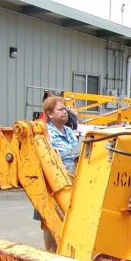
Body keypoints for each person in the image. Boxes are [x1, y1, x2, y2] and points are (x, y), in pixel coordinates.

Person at [37, 96, 81, 251]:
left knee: (69, 221)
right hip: (53, 184)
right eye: (60, 109)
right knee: (52, 223)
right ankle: (52, 254)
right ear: (49, 113)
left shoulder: (69, 131)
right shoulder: (45, 133)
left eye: (65, 109)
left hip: (71, 181)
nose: (65, 112)